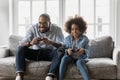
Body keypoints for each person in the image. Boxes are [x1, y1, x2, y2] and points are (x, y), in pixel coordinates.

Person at [15, 13, 64, 80]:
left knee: (60, 51)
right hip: (35, 53)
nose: (41, 25)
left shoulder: (57, 29)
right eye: (40, 23)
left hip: (50, 54)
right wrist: (31, 43)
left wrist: (51, 42)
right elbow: (21, 44)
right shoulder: (33, 28)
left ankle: (50, 76)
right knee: (20, 48)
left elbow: (62, 45)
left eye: (44, 23)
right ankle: (19, 76)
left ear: (50, 23)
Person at [58, 15, 90, 80]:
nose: (74, 31)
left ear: (81, 29)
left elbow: (88, 50)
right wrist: (67, 51)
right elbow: (64, 48)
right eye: (72, 29)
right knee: (64, 58)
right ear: (70, 30)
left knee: (80, 62)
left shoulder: (85, 39)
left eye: (77, 29)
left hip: (80, 57)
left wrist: (83, 50)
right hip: (70, 56)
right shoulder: (67, 38)